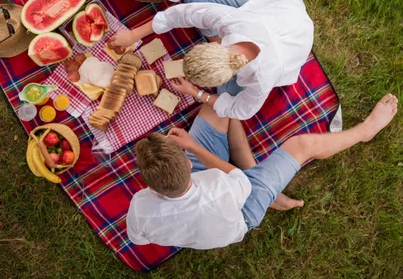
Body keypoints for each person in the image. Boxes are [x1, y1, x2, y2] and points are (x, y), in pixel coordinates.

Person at [126, 94, 398, 249]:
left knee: (221, 106)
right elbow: (238, 180)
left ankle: (269, 187)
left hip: (208, 189)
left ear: (149, 184)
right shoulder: (217, 187)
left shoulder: (140, 206)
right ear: (186, 163)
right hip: (241, 208)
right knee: (302, 145)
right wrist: (193, 146)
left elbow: (138, 239)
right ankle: (365, 131)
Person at [109, 0, 314, 120]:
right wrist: (133, 35)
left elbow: (240, 110)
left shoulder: (261, 80)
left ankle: (218, 80)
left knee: (226, 96)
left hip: (293, 38)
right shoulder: (231, 19)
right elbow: (182, 13)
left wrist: (197, 93)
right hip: (273, 11)